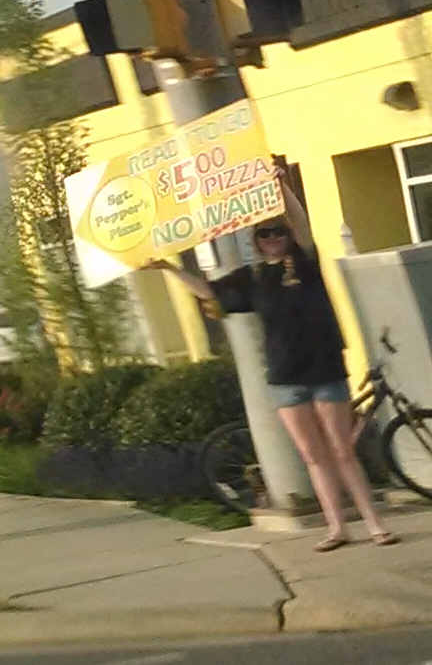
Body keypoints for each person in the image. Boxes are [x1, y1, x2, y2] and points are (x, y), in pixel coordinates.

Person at [148, 161, 399, 552]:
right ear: (256, 241)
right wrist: (167, 268)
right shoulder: (250, 279)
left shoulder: (304, 263)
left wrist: (282, 189)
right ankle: (336, 528)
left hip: (325, 369)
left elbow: (301, 224)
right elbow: (208, 292)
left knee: (342, 450)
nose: (273, 239)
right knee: (313, 457)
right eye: (265, 234)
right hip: (285, 378)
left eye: (277, 233)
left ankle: (375, 524)